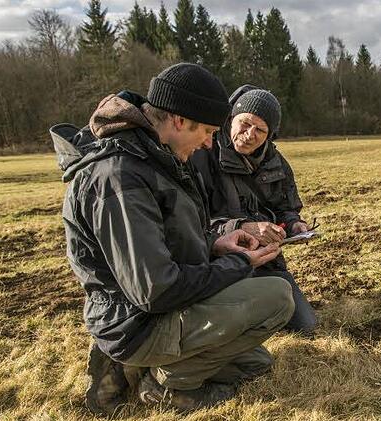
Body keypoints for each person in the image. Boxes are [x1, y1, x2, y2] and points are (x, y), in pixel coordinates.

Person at [50, 63, 295, 415]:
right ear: (180, 121)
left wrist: (215, 244)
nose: (211, 142)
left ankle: (138, 369)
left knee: (253, 362)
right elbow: (156, 289)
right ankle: (164, 387)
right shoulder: (120, 178)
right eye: (209, 131)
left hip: (155, 312)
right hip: (138, 322)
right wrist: (237, 263)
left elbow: (164, 239)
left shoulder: (155, 157)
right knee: (276, 298)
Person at [190, 85, 317, 335]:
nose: (250, 134)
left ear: (269, 135)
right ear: (231, 118)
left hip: (266, 260)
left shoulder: (276, 162)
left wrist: (294, 225)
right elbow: (192, 222)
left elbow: (287, 208)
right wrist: (241, 227)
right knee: (243, 330)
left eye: (260, 130)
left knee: (305, 326)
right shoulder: (201, 155)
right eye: (245, 123)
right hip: (217, 263)